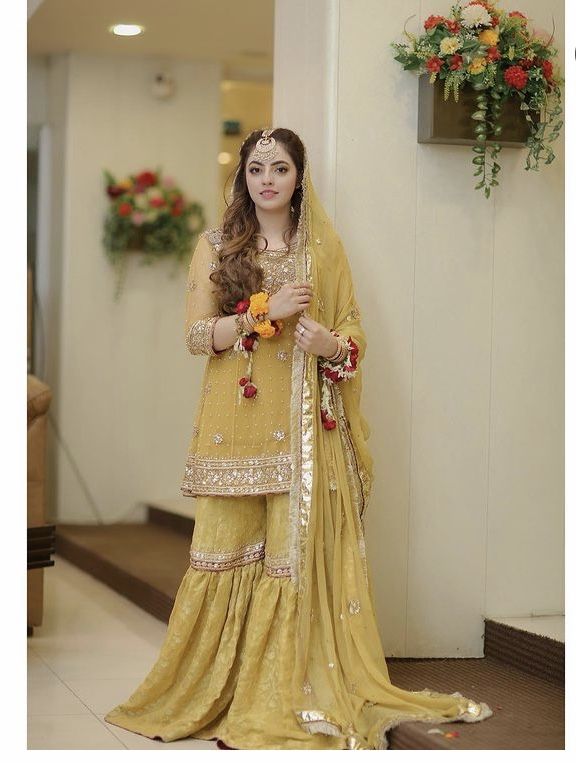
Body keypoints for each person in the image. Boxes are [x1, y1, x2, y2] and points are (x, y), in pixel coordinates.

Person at [104, 128, 493, 749]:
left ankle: (279, 698)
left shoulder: (322, 249)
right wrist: (267, 311)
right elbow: (197, 337)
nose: (267, 180)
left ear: (298, 178)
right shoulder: (214, 246)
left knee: (289, 564)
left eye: (280, 168)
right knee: (223, 556)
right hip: (234, 428)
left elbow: (352, 330)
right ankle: (213, 693)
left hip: (305, 440)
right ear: (242, 179)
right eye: (256, 169)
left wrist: (330, 345)